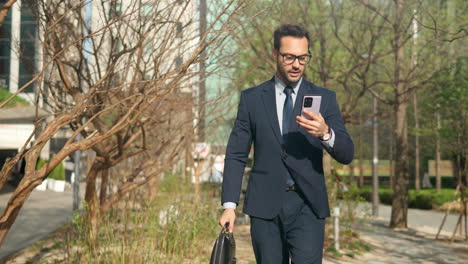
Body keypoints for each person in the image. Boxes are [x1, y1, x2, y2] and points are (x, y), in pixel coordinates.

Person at [218, 24, 354, 263]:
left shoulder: (325, 99)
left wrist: (325, 133)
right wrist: (230, 205)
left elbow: (346, 153)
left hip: (307, 206)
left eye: (303, 58)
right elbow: (236, 154)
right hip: (264, 207)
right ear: (275, 55)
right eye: (289, 57)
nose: (296, 64)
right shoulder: (252, 100)